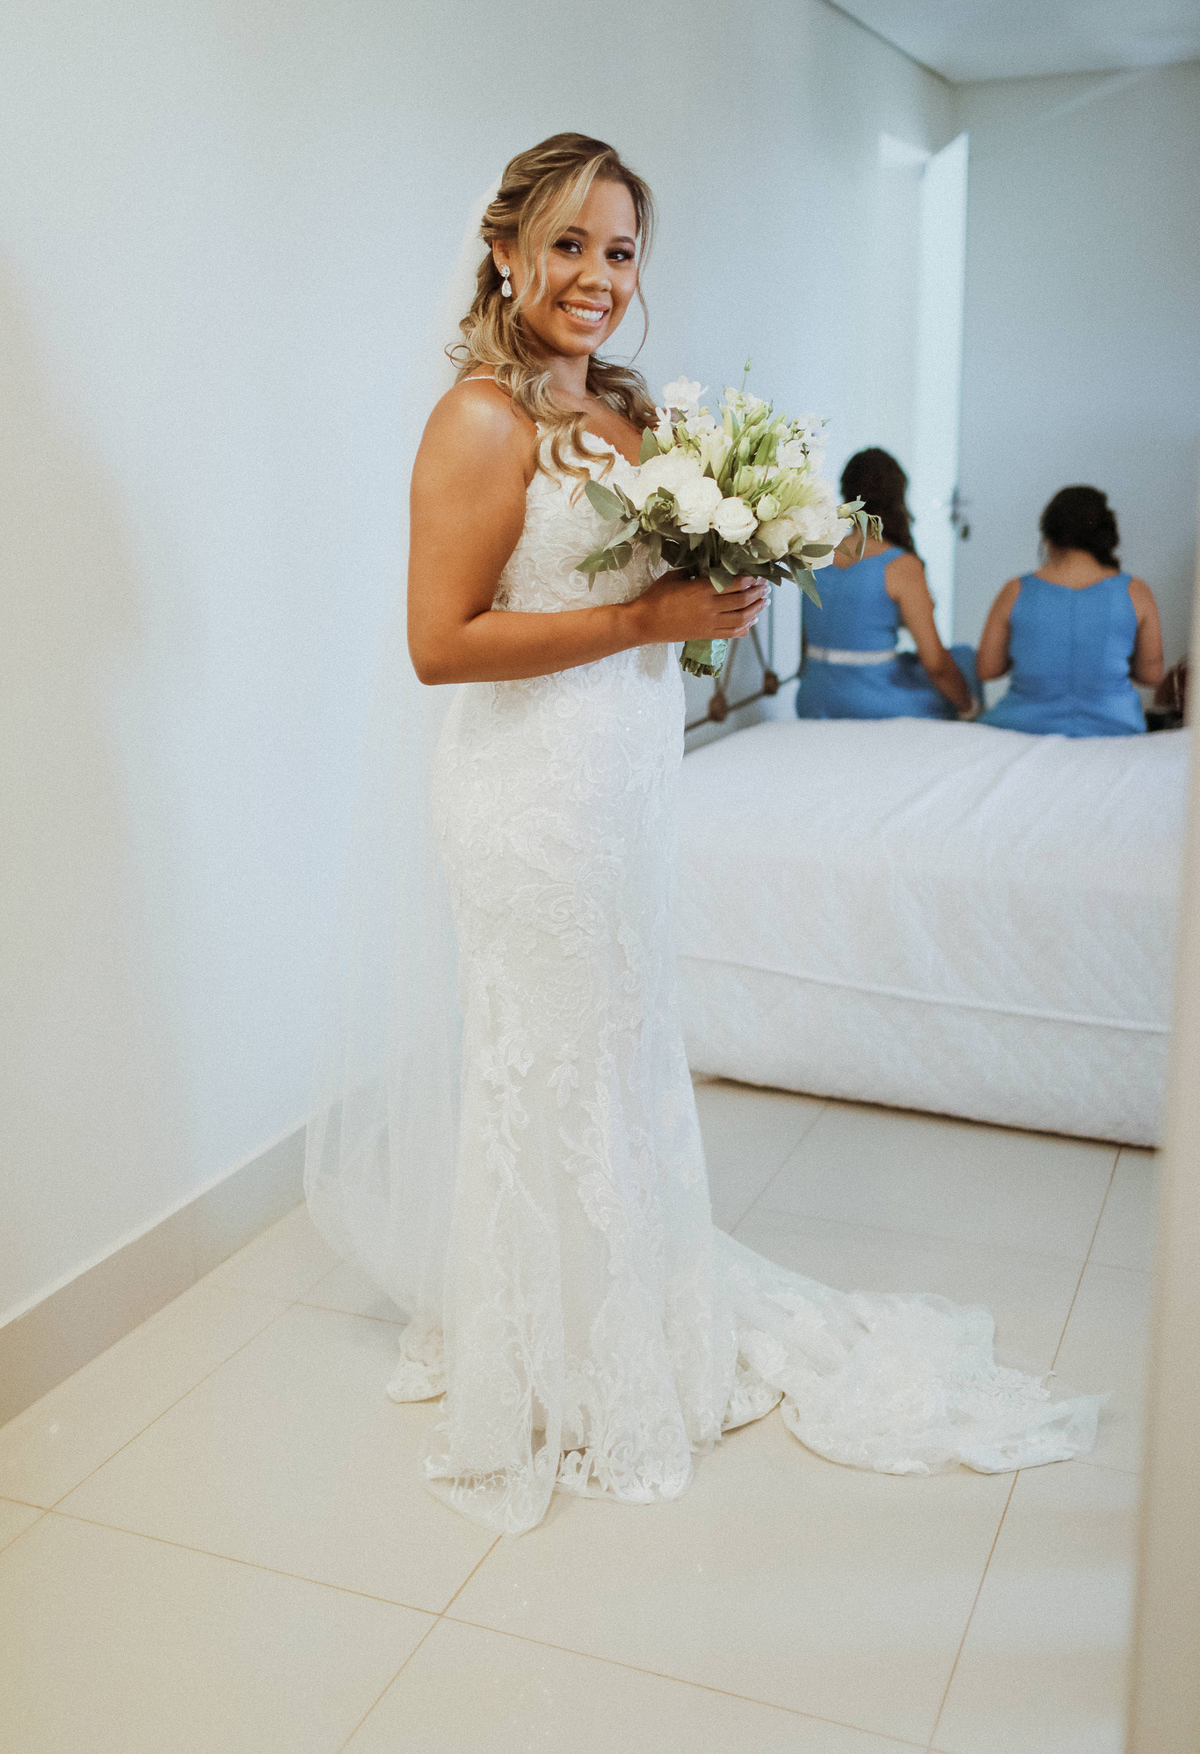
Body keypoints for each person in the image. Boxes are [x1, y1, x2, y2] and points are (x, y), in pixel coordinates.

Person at [305, 133, 1098, 1536]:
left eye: (619, 251)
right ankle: (547, 1352)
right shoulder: (479, 420)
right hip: (526, 798)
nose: (597, 276)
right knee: (547, 1058)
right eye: (567, 243)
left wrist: (731, 581)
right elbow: (440, 641)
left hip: (621, 783)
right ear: (504, 249)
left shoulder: (618, 411)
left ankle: (627, 1314)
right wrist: (647, 618)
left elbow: (667, 608)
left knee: (618, 1048)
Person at [795, 447, 979, 721]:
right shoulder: (901, 565)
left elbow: (807, 648)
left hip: (811, 699)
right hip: (871, 704)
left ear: (846, 495)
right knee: (963, 660)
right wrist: (968, 707)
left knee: (908, 662)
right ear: (897, 497)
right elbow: (936, 665)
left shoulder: (815, 554)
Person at [977, 486, 1163, 736]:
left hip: (1021, 726)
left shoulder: (1016, 590)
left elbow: (987, 669)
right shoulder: (1136, 591)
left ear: (1048, 538)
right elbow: (1152, 675)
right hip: (1115, 728)